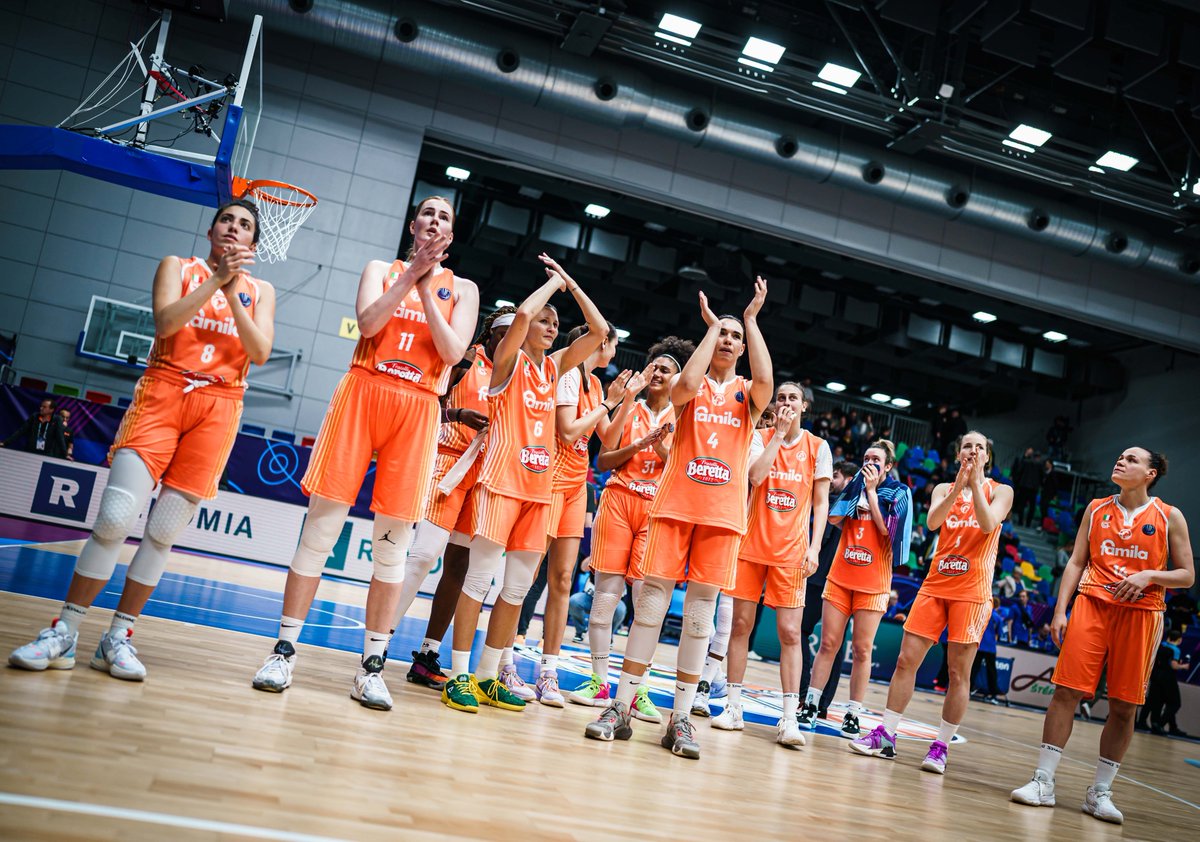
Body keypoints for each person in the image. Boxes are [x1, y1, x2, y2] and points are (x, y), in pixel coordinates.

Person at [10, 200, 275, 680]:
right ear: (212, 229)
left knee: (164, 529)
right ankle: (64, 631)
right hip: (165, 391)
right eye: (227, 220)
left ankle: (118, 637)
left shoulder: (261, 291)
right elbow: (167, 323)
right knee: (114, 517)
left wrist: (233, 289)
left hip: (220, 406)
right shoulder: (179, 266)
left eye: (245, 226)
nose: (234, 229)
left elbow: (258, 351)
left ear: (253, 244)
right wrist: (216, 280)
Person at [250, 196, 478, 711]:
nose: (435, 220)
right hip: (363, 392)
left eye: (445, 216)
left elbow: (451, 354)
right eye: (428, 213)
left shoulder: (462, 289)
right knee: (320, 532)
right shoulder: (380, 268)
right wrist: (408, 277)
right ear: (414, 224)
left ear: (451, 233)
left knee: (392, 549)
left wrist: (426, 281)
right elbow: (369, 324)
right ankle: (283, 653)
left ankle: (371, 668)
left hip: (419, 406)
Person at [584, 278, 772, 759]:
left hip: (722, 516)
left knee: (699, 621)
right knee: (649, 608)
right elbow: (686, 385)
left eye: (735, 337)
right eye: (722, 335)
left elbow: (769, 385)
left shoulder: (748, 393)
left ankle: (681, 720)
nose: (728, 341)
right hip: (674, 507)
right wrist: (711, 328)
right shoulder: (692, 385)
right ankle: (620, 708)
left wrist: (748, 320)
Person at [439, 254, 608, 714]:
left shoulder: (555, 369)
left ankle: (490, 677)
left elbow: (598, 331)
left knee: (514, 590)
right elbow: (523, 314)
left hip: (540, 490)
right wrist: (550, 287)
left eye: (556, 324)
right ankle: (458, 677)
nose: (552, 327)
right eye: (546, 322)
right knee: (479, 580)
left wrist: (571, 285)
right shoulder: (506, 363)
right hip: (500, 483)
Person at [1011, 447, 1193, 825]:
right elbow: (1077, 561)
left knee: (1125, 705)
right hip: (1092, 605)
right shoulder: (1095, 508)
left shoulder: (1169, 516)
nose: (1120, 461)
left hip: (1142, 615)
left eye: (1131, 459)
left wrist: (1150, 575)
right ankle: (1043, 781)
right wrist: (1061, 610)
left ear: (1151, 473)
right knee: (1065, 691)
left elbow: (1187, 575)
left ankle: (1100, 793)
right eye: (1120, 456)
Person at [849, 431, 1012, 773]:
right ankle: (886, 735)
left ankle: (940, 747)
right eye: (967, 445)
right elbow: (934, 522)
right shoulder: (942, 489)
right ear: (957, 454)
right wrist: (958, 487)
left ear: (987, 457)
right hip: (936, 584)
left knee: (957, 672)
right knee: (906, 660)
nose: (973, 450)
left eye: (980, 447)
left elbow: (987, 523)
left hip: (972, 590)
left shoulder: (1000, 491)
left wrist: (977, 482)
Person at [567, 335, 692, 723]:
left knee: (646, 603)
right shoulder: (630, 407)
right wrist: (640, 445)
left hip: (658, 510)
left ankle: (635, 691)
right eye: (654, 366)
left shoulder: (685, 416)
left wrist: (661, 449)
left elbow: (686, 472)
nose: (658, 372)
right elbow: (603, 459)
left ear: (678, 379)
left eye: (667, 369)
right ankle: (600, 680)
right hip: (618, 502)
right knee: (605, 597)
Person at [389, 305, 514, 691]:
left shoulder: (517, 374)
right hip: (448, 464)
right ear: (489, 334)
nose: (511, 340)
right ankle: (380, 636)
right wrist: (458, 413)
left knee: (459, 566)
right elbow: (428, 403)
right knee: (424, 556)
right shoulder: (465, 359)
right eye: (504, 332)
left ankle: (428, 654)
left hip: (484, 474)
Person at [710, 383, 831, 749]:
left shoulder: (818, 447)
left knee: (791, 633)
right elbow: (755, 476)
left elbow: (821, 504)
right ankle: (733, 707)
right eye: (781, 398)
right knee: (740, 626)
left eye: (793, 398)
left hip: (791, 552)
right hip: (750, 545)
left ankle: (790, 718)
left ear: (805, 407)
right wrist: (777, 435)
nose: (786, 403)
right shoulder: (760, 436)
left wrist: (814, 548)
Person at [527, 320, 623, 706]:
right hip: (548, 478)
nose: (613, 352)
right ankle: (502, 660)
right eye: (611, 344)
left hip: (576, 485)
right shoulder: (567, 375)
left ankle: (548, 672)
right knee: (529, 573)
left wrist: (624, 398)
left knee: (563, 579)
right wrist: (606, 405)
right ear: (601, 343)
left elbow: (609, 439)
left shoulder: (597, 385)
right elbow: (567, 432)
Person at [797, 440, 912, 736]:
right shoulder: (855, 486)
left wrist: (871, 494)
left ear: (888, 466)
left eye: (876, 459)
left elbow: (889, 531)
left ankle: (853, 713)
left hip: (873, 583)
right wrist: (858, 489)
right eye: (866, 458)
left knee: (861, 651)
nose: (869, 462)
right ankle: (811, 703)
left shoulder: (899, 492)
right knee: (827, 644)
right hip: (840, 577)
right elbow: (834, 518)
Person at [799, 459, 856, 719]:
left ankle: (819, 702)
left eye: (836, 475)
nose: (831, 480)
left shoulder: (855, 504)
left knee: (834, 643)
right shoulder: (829, 500)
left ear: (849, 478)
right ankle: (806, 695)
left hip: (838, 579)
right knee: (801, 631)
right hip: (817, 577)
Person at [1138, 628, 1188, 736]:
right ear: (1179, 640)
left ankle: (1148, 723)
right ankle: (1159, 724)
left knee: (1155, 701)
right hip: (1168, 678)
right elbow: (1174, 666)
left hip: (1155, 676)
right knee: (1175, 703)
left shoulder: (1161, 645)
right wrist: (1183, 666)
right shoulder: (1175, 650)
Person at [1, 397, 68, 458]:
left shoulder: (57, 420)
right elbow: (21, 431)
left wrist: (65, 455)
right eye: (41, 406)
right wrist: (5, 443)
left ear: (51, 410)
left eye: (44, 407)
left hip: (46, 454)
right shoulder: (35, 416)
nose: (41, 408)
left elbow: (60, 438)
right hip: (30, 451)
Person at [970, 597, 1003, 703]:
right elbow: (1000, 633)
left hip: (980, 645)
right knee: (991, 671)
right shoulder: (998, 618)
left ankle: (967, 690)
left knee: (974, 668)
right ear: (997, 606)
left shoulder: (981, 613)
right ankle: (993, 694)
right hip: (990, 647)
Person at [1012, 447, 1042, 527]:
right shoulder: (1039, 465)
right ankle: (1028, 523)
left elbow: (1019, 473)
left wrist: (1017, 483)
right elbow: (1041, 477)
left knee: (1021, 505)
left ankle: (1020, 521)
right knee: (1031, 507)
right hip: (1034, 489)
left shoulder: (1025, 462)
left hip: (1024, 487)